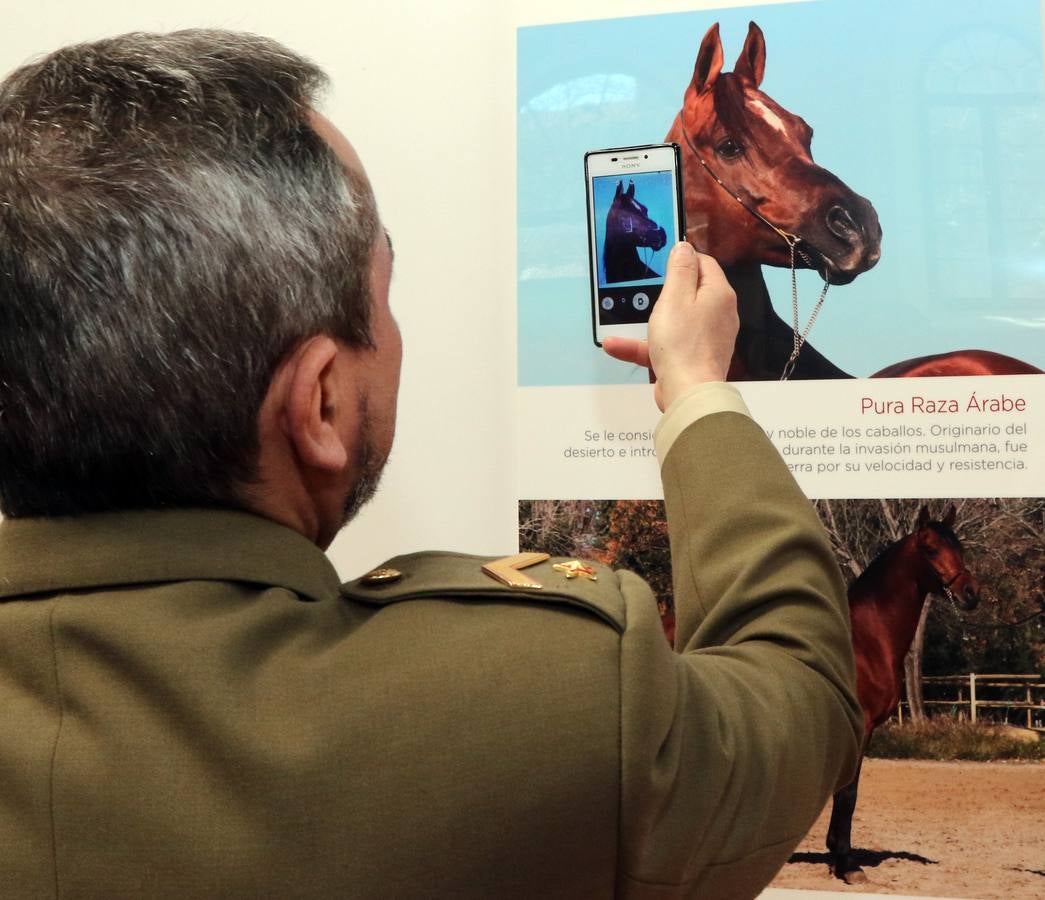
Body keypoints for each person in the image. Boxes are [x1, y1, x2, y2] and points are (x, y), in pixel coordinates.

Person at [0, 30, 861, 899]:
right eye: (382, 296)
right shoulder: (541, 707)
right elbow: (797, 678)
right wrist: (697, 392)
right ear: (322, 403)